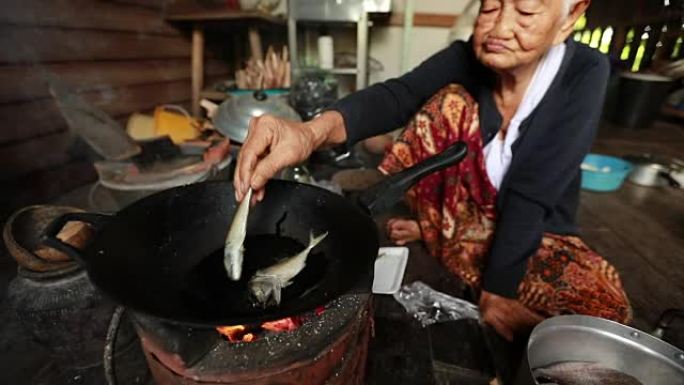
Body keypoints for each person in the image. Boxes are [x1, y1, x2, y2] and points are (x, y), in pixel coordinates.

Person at [233, 0, 632, 341]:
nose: (500, 26)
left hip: (536, 228)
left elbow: (532, 191)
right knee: (449, 103)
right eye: (489, 7)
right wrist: (308, 131)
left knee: (602, 317)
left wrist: (497, 290)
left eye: (526, 11)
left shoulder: (584, 72)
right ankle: (442, 230)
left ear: (570, 17)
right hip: (469, 217)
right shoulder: (467, 58)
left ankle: (446, 237)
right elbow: (396, 95)